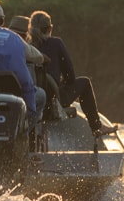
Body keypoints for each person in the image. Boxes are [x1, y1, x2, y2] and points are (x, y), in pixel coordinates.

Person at [28, 9, 117, 137]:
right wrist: (61, 83)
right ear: (50, 28)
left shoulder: (27, 47)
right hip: (53, 102)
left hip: (34, 100)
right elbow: (70, 76)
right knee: (85, 82)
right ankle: (96, 127)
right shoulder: (56, 43)